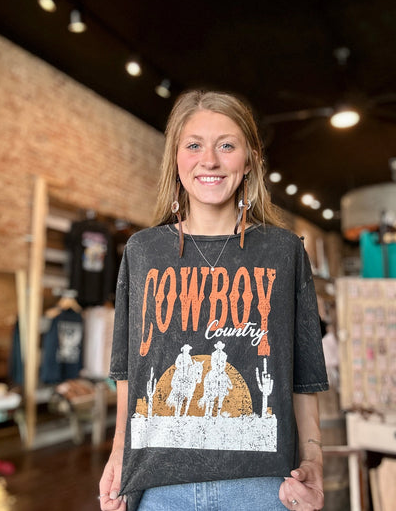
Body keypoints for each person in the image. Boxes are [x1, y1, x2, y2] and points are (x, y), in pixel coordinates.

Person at [99, 90, 328, 511]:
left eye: (226, 145)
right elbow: (128, 369)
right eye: (194, 145)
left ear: (250, 159)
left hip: (261, 487)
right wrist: (118, 456)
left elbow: (304, 372)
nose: (210, 160)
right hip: (158, 487)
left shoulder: (283, 251)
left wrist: (313, 458)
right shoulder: (143, 250)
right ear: (176, 158)